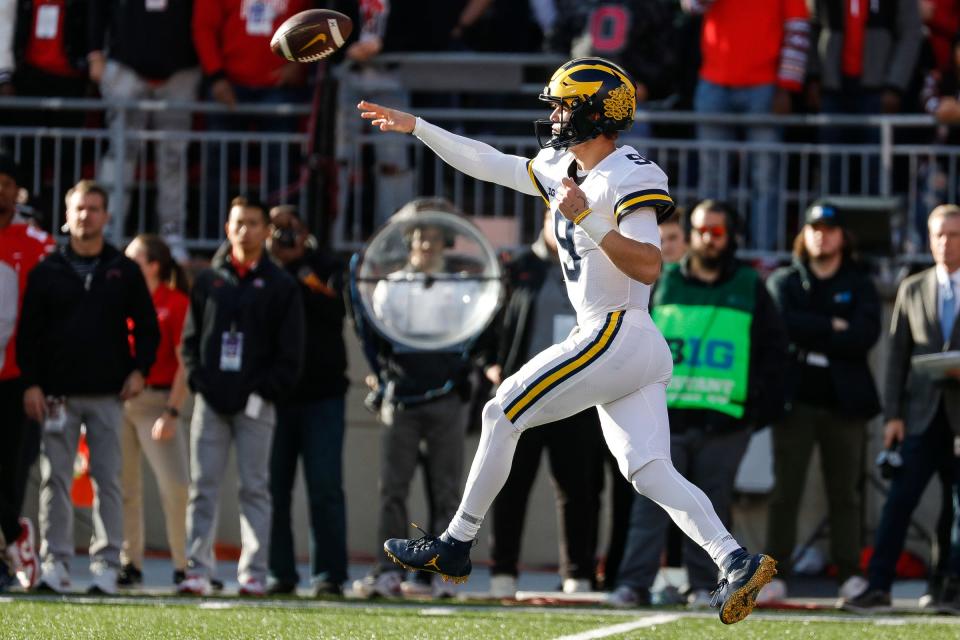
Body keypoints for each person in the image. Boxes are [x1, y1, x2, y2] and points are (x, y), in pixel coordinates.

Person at [359, 57, 778, 625]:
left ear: (596, 112)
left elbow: (652, 265)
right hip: (625, 342)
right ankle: (734, 558)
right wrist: (420, 128)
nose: (555, 116)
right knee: (648, 469)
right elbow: (490, 163)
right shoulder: (562, 164)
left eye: (564, 105)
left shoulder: (632, 173)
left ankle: (456, 543)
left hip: (617, 328)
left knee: (501, 409)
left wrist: (590, 221)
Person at [607, 200, 787, 609]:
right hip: (664, 416)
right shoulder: (663, 281)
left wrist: (755, 406)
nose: (709, 238)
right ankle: (632, 584)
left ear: (730, 235)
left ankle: (705, 587)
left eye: (717, 232)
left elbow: (774, 351)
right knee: (651, 504)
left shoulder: (749, 284)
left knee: (712, 504)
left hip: (726, 421)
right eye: (702, 230)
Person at [17, 179, 160, 594]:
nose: (86, 216)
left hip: (107, 395)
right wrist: (31, 384)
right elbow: (29, 334)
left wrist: (140, 370)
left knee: (107, 480)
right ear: (67, 215)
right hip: (57, 394)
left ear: (106, 215)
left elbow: (148, 329)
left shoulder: (123, 269)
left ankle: (106, 564)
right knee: (54, 480)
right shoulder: (48, 270)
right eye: (79, 208)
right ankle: (55, 563)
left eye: (94, 209)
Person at [351, 198, 480, 600]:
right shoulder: (389, 287)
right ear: (409, 242)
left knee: (446, 489)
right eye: (419, 236)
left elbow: (472, 337)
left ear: (445, 242)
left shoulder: (463, 288)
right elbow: (378, 338)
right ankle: (388, 572)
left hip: (447, 398)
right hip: (401, 399)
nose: (426, 244)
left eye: (434, 237)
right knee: (392, 487)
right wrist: (385, 376)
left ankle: (443, 573)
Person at [178, 195, 304, 597]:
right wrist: (201, 384)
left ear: (266, 231)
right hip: (210, 403)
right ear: (227, 227)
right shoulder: (208, 279)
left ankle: (253, 571)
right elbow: (190, 342)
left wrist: (263, 390)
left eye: (252, 222)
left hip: (256, 404)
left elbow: (291, 352)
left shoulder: (282, 284)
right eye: (237, 222)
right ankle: (197, 570)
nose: (244, 230)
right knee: (202, 487)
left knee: (255, 488)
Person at [842, 204, 960, 613]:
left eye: (955, 235)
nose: (946, 243)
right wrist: (892, 416)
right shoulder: (913, 287)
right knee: (898, 504)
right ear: (929, 239)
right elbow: (896, 359)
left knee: (957, 510)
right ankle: (878, 585)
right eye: (939, 235)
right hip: (920, 417)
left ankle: (949, 588)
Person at [763, 202, 881, 603]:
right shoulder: (786, 280)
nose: (821, 235)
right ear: (804, 234)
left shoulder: (860, 281)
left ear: (842, 237)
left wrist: (811, 328)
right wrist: (832, 324)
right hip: (795, 400)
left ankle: (850, 573)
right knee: (785, 492)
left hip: (844, 402)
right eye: (814, 227)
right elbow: (782, 325)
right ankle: (774, 572)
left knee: (846, 492)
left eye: (829, 229)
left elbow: (864, 335)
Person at [484, 209, 605, 598]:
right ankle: (503, 572)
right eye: (557, 218)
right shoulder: (517, 267)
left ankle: (578, 576)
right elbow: (486, 319)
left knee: (579, 491)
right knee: (510, 486)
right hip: (525, 398)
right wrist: (490, 362)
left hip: (577, 398)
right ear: (544, 220)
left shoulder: (594, 265)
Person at [265, 205, 349, 597]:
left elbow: (337, 306)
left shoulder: (324, 265)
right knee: (272, 489)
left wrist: (301, 266)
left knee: (325, 487)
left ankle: (328, 575)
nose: (284, 237)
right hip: (273, 397)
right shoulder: (262, 270)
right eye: (276, 229)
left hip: (323, 395)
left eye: (290, 228)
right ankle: (278, 573)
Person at [683, 0, 810, 250]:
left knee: (766, 177)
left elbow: (798, 29)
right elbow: (691, 6)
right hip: (714, 84)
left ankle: (763, 253)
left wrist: (787, 85)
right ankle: (711, 251)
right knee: (712, 178)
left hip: (765, 87)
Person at [88, 0, 200, 260]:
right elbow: (96, 8)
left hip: (180, 71)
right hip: (126, 68)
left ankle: (172, 231)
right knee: (120, 153)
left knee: (173, 157)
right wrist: (95, 54)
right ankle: (107, 229)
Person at [117, 234, 192, 589]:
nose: (125, 263)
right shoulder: (120, 301)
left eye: (134, 258)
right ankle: (129, 562)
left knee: (174, 486)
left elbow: (185, 364)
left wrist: (173, 411)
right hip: (119, 402)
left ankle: (184, 564)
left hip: (157, 402)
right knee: (123, 488)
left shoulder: (175, 302)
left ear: (154, 265)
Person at [0, 153, 53, 591]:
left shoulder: (38, 243)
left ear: (18, 192)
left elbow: (48, 315)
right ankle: (15, 536)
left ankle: (7, 552)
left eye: (5, 183)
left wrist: (40, 377)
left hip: (18, 377)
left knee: (10, 472)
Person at [806, 0, 922, 193]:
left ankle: (875, 221)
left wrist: (895, 85)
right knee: (830, 166)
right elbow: (810, 26)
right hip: (833, 90)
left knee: (877, 168)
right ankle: (828, 221)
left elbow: (911, 33)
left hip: (877, 92)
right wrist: (813, 76)